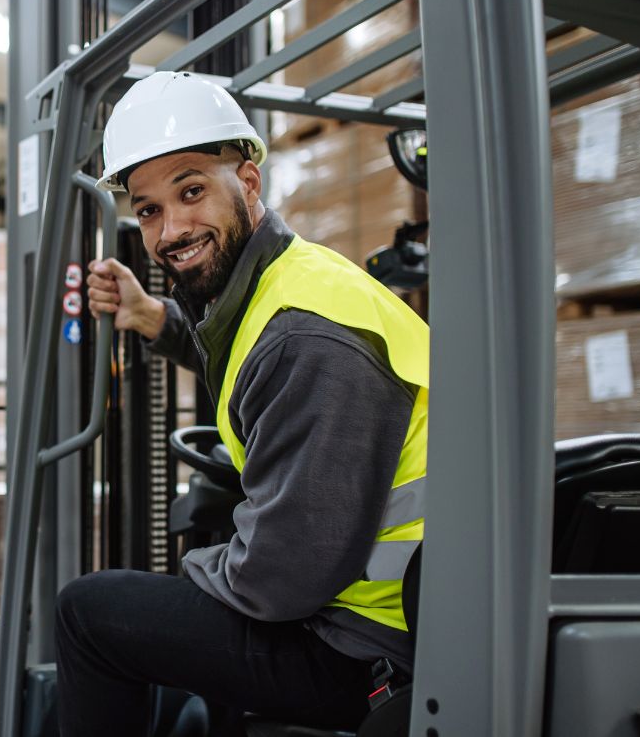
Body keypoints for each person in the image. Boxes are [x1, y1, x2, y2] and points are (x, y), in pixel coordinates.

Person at [59, 70, 429, 734]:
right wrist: (155, 318)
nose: (171, 228)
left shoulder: (306, 337)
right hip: (383, 611)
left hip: (367, 645)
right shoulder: (290, 281)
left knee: (87, 613)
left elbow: (276, 582)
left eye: (191, 190)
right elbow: (241, 348)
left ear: (249, 182)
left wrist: (195, 565)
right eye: (148, 210)